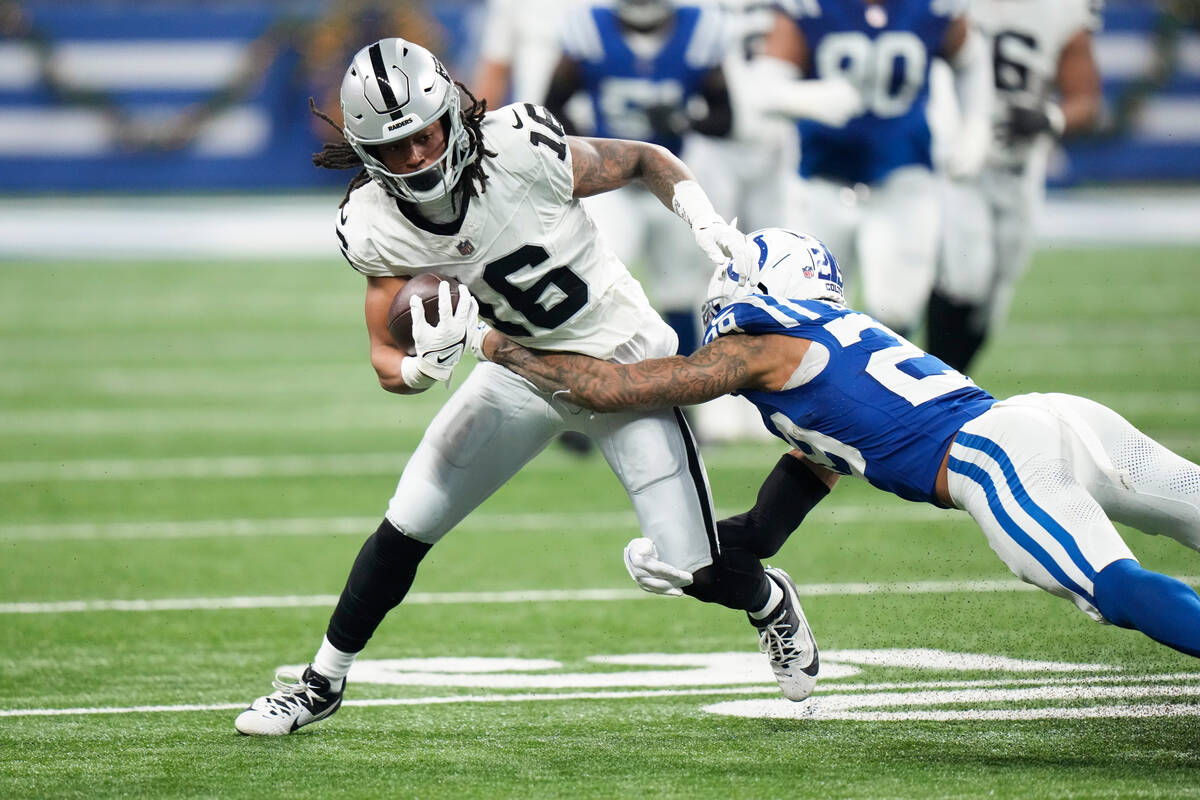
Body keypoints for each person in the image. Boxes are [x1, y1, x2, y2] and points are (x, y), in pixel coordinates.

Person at [233, 38, 815, 736]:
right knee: (409, 518)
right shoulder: (373, 223)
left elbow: (642, 160)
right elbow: (384, 358)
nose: (417, 157)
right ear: (366, 154)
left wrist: (702, 219)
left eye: (424, 135)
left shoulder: (519, 146)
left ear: (450, 114)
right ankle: (321, 682)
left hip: (624, 367)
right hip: (519, 370)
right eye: (395, 149)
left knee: (691, 567)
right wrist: (422, 369)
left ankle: (767, 601)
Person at [483, 226, 1200, 661]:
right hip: (1058, 418)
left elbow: (617, 387)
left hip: (997, 456)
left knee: (1113, 588)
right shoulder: (831, 370)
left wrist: (498, 347)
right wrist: (691, 557)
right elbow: (768, 525)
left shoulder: (768, 347)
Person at [750, 0, 993, 337]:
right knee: (805, 311)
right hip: (820, 178)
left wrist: (976, 123)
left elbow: (971, 61)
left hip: (903, 174)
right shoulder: (809, 7)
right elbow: (761, 89)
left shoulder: (933, 6)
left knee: (896, 308)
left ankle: (887, 386)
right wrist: (806, 98)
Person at [544, 0, 733, 356]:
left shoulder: (699, 28)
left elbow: (725, 118)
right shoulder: (588, 27)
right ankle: (593, 374)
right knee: (594, 282)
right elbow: (551, 107)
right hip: (611, 188)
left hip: (668, 181)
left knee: (679, 292)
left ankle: (685, 391)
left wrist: (682, 122)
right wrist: (591, 148)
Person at [925, 0, 1104, 373]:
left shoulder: (1062, 9)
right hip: (956, 157)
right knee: (965, 276)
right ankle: (928, 389)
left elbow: (1087, 100)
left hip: (1018, 168)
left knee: (993, 299)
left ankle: (950, 387)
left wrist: (1048, 119)